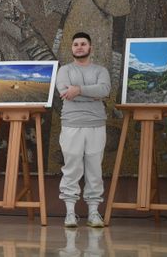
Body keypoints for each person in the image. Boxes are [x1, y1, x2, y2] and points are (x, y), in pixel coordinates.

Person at [56, 32, 111, 228]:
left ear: (90, 48)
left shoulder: (101, 70)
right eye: (76, 44)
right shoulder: (64, 70)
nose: (79, 47)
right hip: (71, 124)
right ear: (72, 49)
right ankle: (70, 213)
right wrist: (91, 93)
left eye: (83, 44)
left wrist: (78, 90)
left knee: (94, 170)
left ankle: (94, 213)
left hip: (96, 124)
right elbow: (63, 92)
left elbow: (105, 90)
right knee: (71, 169)